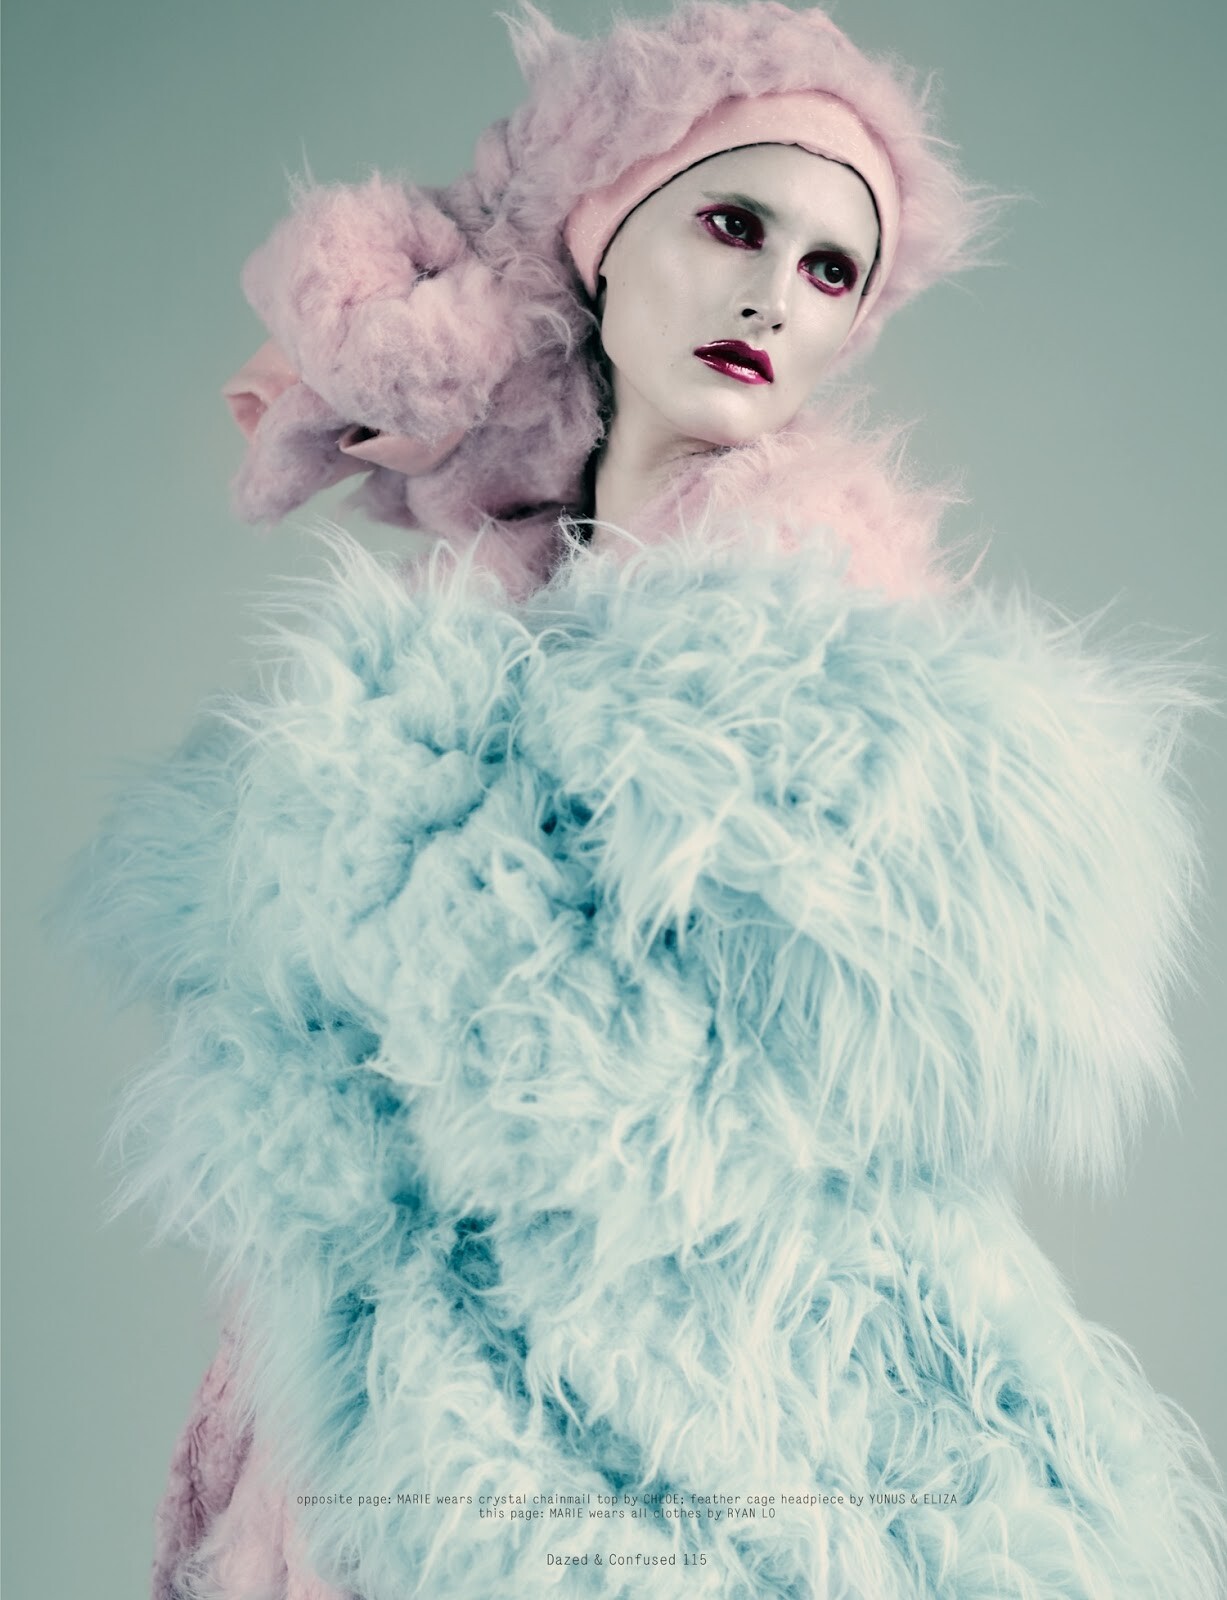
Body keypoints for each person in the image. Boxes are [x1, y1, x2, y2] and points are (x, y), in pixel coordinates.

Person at [73, 3, 1226, 1596]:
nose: (773, 294)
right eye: (733, 223)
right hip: (421, 1366)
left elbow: (718, 1092)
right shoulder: (499, 592)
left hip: (691, 1386)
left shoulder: (818, 607)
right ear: (605, 239)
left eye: (832, 269)